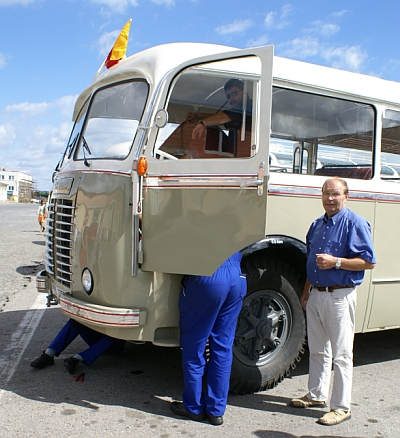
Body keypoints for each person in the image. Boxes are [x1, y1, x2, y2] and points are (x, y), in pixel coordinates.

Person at [290, 177, 376, 426]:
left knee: (341, 355)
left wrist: (336, 262)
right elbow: (312, 261)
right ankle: (317, 395)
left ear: (346, 196)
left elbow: (368, 261)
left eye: (335, 194)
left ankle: (341, 407)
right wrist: (307, 290)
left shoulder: (355, 223)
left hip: (340, 295)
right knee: (317, 349)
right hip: (317, 293)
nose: (330, 198)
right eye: (326, 193)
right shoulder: (317, 225)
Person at [170, 251, 246, 426]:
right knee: (223, 347)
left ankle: (194, 407)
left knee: (194, 346)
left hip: (207, 273)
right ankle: (216, 411)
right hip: (236, 274)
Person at [30, 318, 125, 374]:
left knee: (116, 337)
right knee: (76, 321)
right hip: (98, 332)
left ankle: (77, 358)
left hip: (113, 341)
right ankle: (49, 354)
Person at [187, 78, 252, 155]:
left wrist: (202, 123)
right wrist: (199, 116)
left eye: (234, 94)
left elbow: (226, 117)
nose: (231, 99)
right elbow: (221, 117)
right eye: (228, 97)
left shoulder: (248, 106)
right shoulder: (236, 115)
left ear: (244, 93)